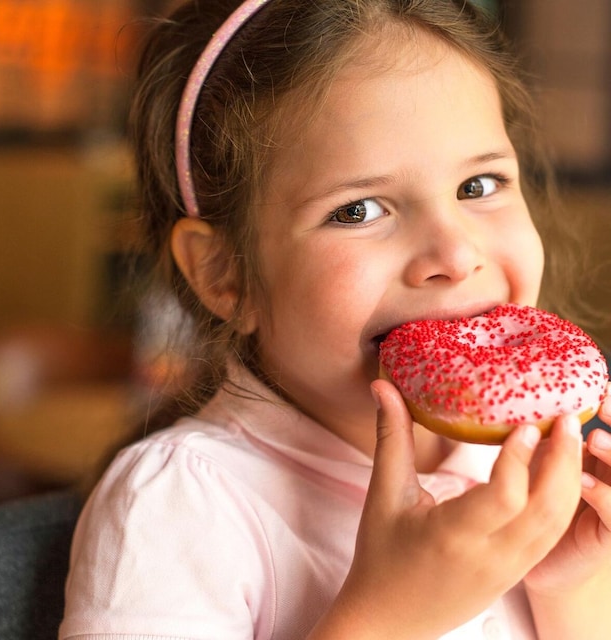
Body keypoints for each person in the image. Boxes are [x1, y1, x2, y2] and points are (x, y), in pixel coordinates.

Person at [59, 0, 611, 638]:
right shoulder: (180, 504)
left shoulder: (525, 471)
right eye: (359, 210)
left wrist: (569, 583)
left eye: (479, 186)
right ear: (225, 274)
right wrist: (387, 618)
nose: (456, 255)